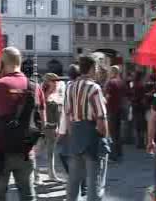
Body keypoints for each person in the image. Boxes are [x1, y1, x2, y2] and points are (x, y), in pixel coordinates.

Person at [0, 47, 46, 201]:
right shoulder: (35, 87)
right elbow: (42, 119)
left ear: (2, 63)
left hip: (1, 150)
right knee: (28, 195)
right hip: (26, 151)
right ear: (20, 62)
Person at [66, 55, 109, 201]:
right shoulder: (94, 87)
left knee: (74, 179)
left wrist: (73, 134)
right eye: (96, 68)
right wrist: (105, 137)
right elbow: (101, 117)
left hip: (76, 133)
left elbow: (67, 113)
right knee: (93, 180)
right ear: (92, 68)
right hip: (92, 133)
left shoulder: (70, 86)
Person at [58, 64, 87, 197]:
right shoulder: (86, 86)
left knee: (65, 154)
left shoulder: (70, 88)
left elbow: (65, 111)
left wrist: (62, 130)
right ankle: (82, 183)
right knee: (81, 156)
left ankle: (77, 180)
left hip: (72, 127)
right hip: (84, 127)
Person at [104, 65, 127, 162]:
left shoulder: (110, 82)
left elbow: (107, 96)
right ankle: (119, 154)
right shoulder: (122, 82)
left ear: (112, 72)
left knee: (112, 134)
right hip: (120, 110)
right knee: (118, 133)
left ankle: (113, 156)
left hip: (111, 110)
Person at [131, 70, 147, 149]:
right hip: (140, 107)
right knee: (141, 126)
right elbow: (143, 98)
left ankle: (138, 143)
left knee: (137, 126)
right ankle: (140, 143)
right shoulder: (141, 86)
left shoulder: (134, 85)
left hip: (135, 106)